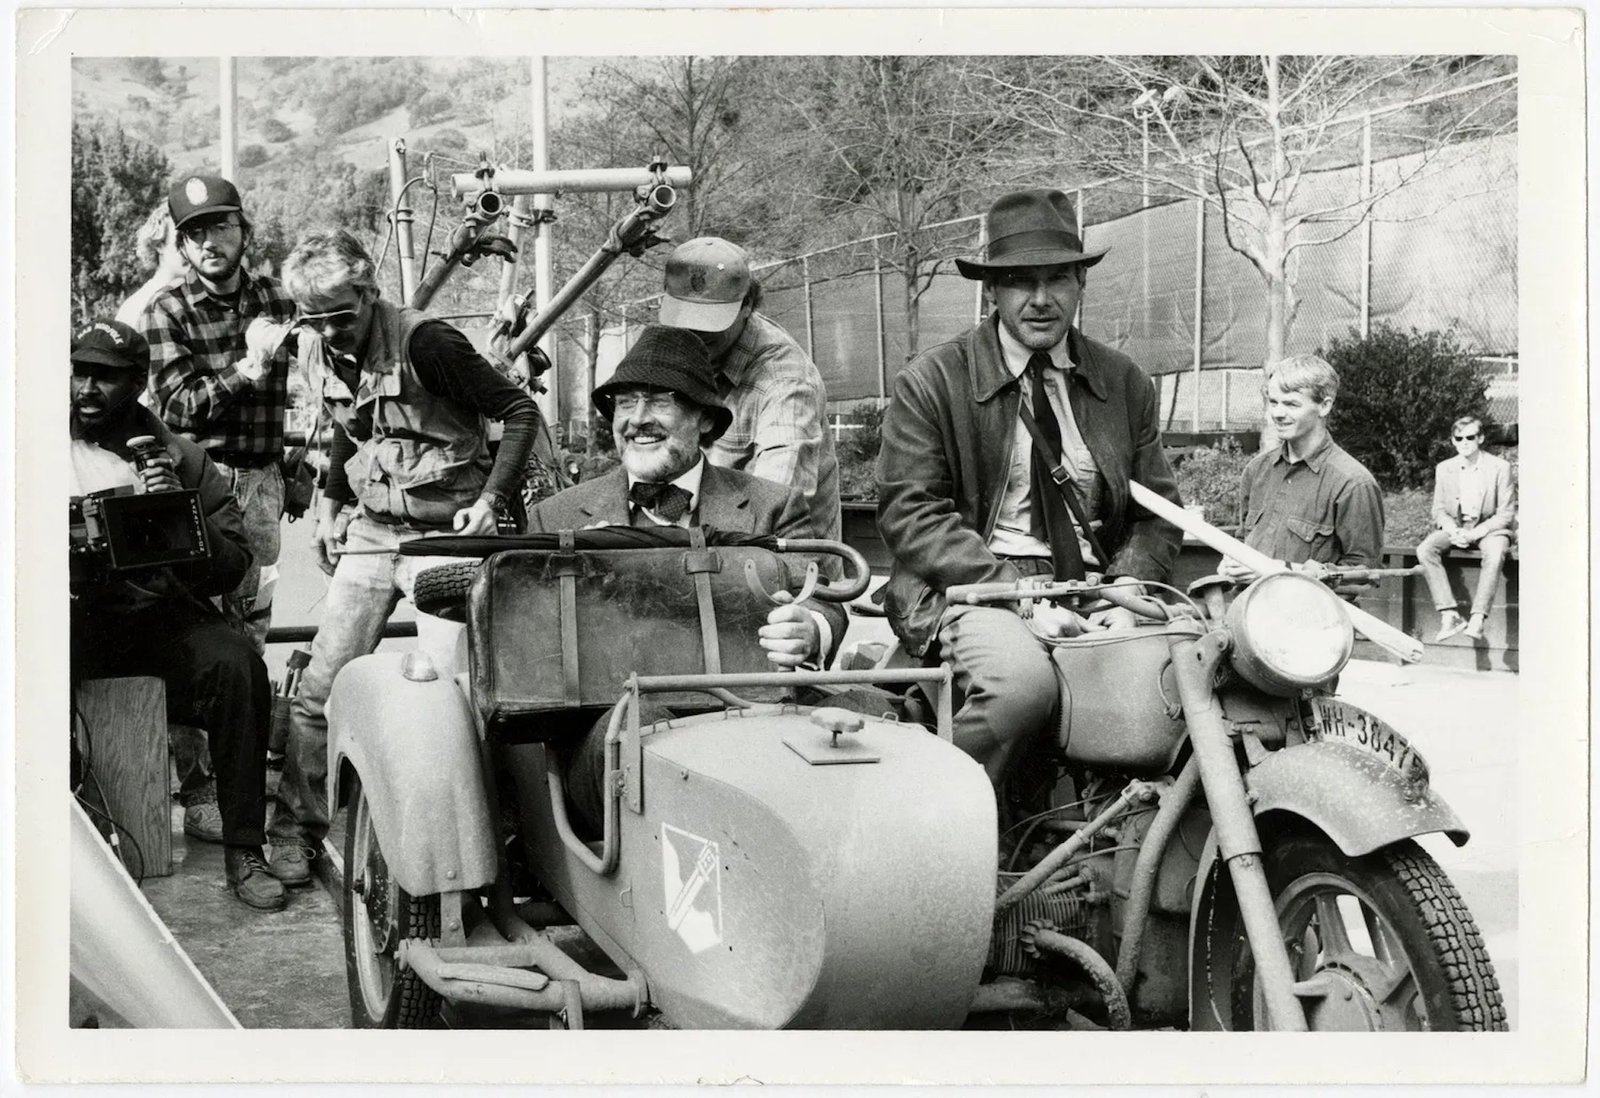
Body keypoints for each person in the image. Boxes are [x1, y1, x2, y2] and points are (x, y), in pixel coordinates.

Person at [876, 189, 1183, 788]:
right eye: (1020, 281)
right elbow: (912, 512)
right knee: (1021, 690)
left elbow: (1159, 511)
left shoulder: (1122, 382)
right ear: (992, 289)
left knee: (1202, 677)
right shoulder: (933, 380)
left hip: (1098, 590)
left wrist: (1129, 594)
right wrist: (1018, 596)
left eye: (1058, 280)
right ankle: (924, 817)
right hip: (976, 589)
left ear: (1080, 285)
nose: (1041, 300)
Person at [266, 229, 539, 886]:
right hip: (373, 530)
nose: (330, 332)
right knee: (319, 687)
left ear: (369, 291)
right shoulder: (319, 348)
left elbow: (519, 410)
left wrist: (491, 499)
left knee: (447, 696)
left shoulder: (428, 343)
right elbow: (348, 425)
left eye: (341, 315)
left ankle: (470, 840)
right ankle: (297, 830)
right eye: (315, 319)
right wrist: (332, 502)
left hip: (446, 531)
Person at [529, 325, 848, 832]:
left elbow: (824, 597)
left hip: (755, 727)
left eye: (660, 402)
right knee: (651, 728)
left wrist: (810, 628)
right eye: (624, 402)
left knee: (871, 717)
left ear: (703, 419)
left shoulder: (770, 506)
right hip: (611, 741)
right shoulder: (556, 518)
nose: (636, 420)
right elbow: (531, 651)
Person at [68, 320, 284, 911]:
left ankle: (245, 847)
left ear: (138, 383)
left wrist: (176, 511)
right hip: (65, 618)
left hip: (155, 617)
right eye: (80, 371)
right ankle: (58, 843)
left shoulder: (181, 458)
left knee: (238, 666)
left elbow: (235, 562)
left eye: (105, 378)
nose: (87, 388)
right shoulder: (31, 440)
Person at [141, 174, 298, 657]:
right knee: (198, 613)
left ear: (244, 231)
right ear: (183, 245)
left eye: (222, 227)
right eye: (195, 233)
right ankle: (199, 733)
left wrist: (297, 466)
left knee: (254, 613)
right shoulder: (166, 310)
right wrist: (249, 369)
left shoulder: (280, 298)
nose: (210, 242)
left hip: (265, 481)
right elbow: (178, 405)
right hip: (200, 482)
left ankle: (248, 727)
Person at [656, 237, 841, 540]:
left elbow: (773, 508)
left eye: (710, 319)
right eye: (687, 318)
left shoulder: (784, 381)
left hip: (782, 566)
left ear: (748, 306)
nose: (697, 332)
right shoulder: (679, 349)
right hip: (701, 549)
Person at [1220, 355, 1384, 583]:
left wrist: (1281, 571)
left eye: (1291, 404)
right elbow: (1242, 540)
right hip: (1248, 608)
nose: (1277, 413)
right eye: (1273, 402)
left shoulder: (1353, 483)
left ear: (1324, 406)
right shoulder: (1256, 470)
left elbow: (1366, 573)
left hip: (1312, 615)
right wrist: (1230, 563)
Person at [1416, 415, 1516, 641]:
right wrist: (1453, 531)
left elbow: (1506, 513)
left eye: (1470, 437)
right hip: (1459, 527)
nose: (1464, 442)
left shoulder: (1500, 467)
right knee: (1425, 549)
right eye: (1458, 438)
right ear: (1452, 440)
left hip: (1490, 528)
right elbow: (1439, 510)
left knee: (1495, 552)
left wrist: (1476, 533)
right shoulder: (1444, 468)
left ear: (1480, 438)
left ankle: (1478, 619)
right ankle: (1449, 614)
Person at [115, 200, 188, 327]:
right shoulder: (136, 307)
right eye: (180, 239)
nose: (190, 248)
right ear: (159, 245)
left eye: (193, 237)